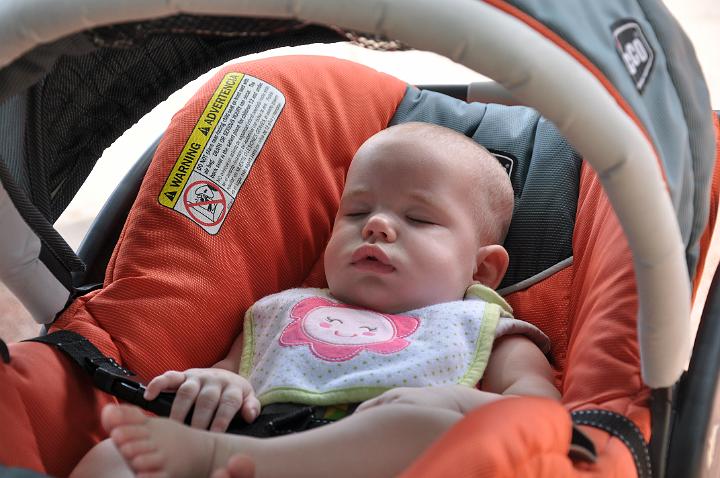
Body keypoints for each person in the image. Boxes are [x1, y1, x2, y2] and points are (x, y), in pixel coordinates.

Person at [71, 122, 559, 478]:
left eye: (419, 219)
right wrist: (216, 384)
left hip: (393, 458)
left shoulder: (483, 328)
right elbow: (231, 370)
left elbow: (543, 414)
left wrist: (453, 401)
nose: (377, 225)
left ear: (481, 268)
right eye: (358, 211)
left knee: (419, 427)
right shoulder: (283, 309)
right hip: (255, 440)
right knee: (114, 454)